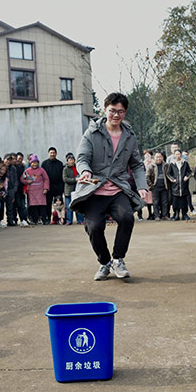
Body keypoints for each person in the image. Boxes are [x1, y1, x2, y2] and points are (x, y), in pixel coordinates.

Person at [70, 92, 148, 280]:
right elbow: (82, 158)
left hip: (118, 187)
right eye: (112, 111)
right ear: (105, 110)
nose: (116, 115)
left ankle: (118, 259)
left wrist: (142, 186)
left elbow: (136, 164)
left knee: (127, 217)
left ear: (125, 113)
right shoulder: (92, 133)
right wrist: (85, 172)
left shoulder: (129, 136)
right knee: (94, 226)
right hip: (95, 188)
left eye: (120, 112)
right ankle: (105, 262)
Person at [22, 155, 50, 224]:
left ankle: (44, 219)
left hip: (41, 190)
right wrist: (26, 182)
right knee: (33, 206)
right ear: (30, 163)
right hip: (32, 190)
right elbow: (22, 179)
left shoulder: (41, 170)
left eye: (36, 162)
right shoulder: (27, 170)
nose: (34, 164)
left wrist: (46, 188)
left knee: (42, 206)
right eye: (33, 162)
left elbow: (46, 179)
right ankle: (35, 220)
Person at [167, 149, 192, 220]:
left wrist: (187, 177)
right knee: (175, 202)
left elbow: (189, 171)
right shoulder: (172, 164)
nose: (178, 155)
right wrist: (173, 180)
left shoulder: (185, 163)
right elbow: (168, 173)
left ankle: (184, 214)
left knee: (184, 201)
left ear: (181, 154)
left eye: (179, 154)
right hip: (175, 186)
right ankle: (176, 214)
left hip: (183, 186)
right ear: (174, 155)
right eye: (176, 154)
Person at [147, 152, 170, 220]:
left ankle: (165, 215)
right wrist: (151, 185)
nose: (158, 158)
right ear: (154, 158)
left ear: (162, 158)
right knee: (155, 202)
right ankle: (156, 216)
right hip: (155, 187)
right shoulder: (151, 166)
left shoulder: (166, 165)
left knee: (165, 202)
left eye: (160, 157)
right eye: (157, 157)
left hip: (164, 186)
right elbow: (147, 176)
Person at [62, 153, 83, 224]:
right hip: (68, 190)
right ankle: (69, 220)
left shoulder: (78, 167)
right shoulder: (65, 169)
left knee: (78, 205)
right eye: (70, 160)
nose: (71, 161)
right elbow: (65, 179)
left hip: (77, 189)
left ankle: (80, 220)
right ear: (67, 161)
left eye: (72, 160)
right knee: (69, 207)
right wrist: (75, 180)